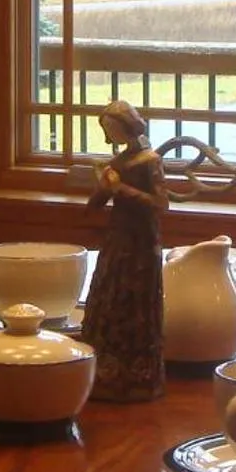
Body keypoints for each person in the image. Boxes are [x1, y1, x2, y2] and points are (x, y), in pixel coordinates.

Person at [83, 99, 168, 402]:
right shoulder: (118, 163)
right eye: (107, 130)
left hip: (141, 243)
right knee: (109, 296)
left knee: (136, 302)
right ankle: (102, 371)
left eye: (113, 127)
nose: (111, 134)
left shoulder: (149, 160)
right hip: (117, 240)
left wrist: (120, 189)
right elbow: (93, 206)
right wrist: (103, 185)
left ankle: (137, 374)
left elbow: (160, 204)